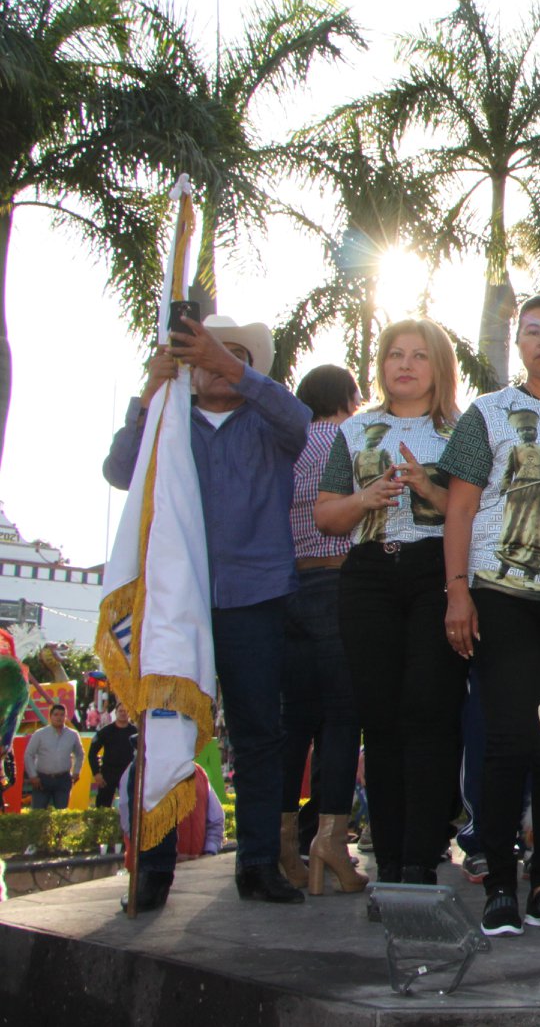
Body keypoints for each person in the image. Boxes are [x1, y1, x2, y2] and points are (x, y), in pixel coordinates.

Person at [103, 313, 310, 904]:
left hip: (256, 596)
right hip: (177, 598)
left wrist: (231, 368)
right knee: (164, 729)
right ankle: (152, 870)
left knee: (259, 734)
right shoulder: (169, 423)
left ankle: (258, 864)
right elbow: (121, 470)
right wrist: (149, 391)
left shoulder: (269, 423)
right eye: (210, 355)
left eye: (234, 354)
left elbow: (299, 421)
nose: (219, 364)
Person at [440, 296, 540, 937]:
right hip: (499, 595)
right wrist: (457, 590)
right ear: (518, 343)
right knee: (505, 742)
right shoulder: (488, 414)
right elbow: (460, 511)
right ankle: (501, 886)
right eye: (532, 332)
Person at [315, 319, 465, 889]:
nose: (404, 365)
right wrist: (365, 497)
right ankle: (391, 859)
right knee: (379, 720)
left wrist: (429, 489)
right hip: (370, 574)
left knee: (429, 713)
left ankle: (423, 857)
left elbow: (477, 514)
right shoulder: (356, 432)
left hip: (436, 574)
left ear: (439, 367)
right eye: (394, 355)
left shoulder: (460, 430)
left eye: (418, 356)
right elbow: (326, 515)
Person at [281, 364, 364, 896]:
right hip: (338, 584)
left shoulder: (290, 445)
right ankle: (330, 842)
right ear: (348, 397)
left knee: (295, 723)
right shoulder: (349, 440)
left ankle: (284, 844)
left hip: (289, 587)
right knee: (342, 720)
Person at [24, 703, 83, 810]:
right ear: (50, 716)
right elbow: (29, 754)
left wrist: (76, 771)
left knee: (61, 814)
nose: (59, 717)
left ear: (65, 717)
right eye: (56, 715)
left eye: (62, 715)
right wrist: (33, 775)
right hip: (42, 780)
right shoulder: (40, 734)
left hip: (63, 779)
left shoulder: (72, 735)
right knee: (38, 813)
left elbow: (80, 754)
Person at [87, 706, 136, 810]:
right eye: (121, 711)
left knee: (130, 805)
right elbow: (92, 753)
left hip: (128, 772)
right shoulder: (105, 731)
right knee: (102, 806)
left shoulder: (135, 732)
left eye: (126, 711)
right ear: (116, 712)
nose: (123, 713)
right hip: (108, 772)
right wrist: (96, 773)